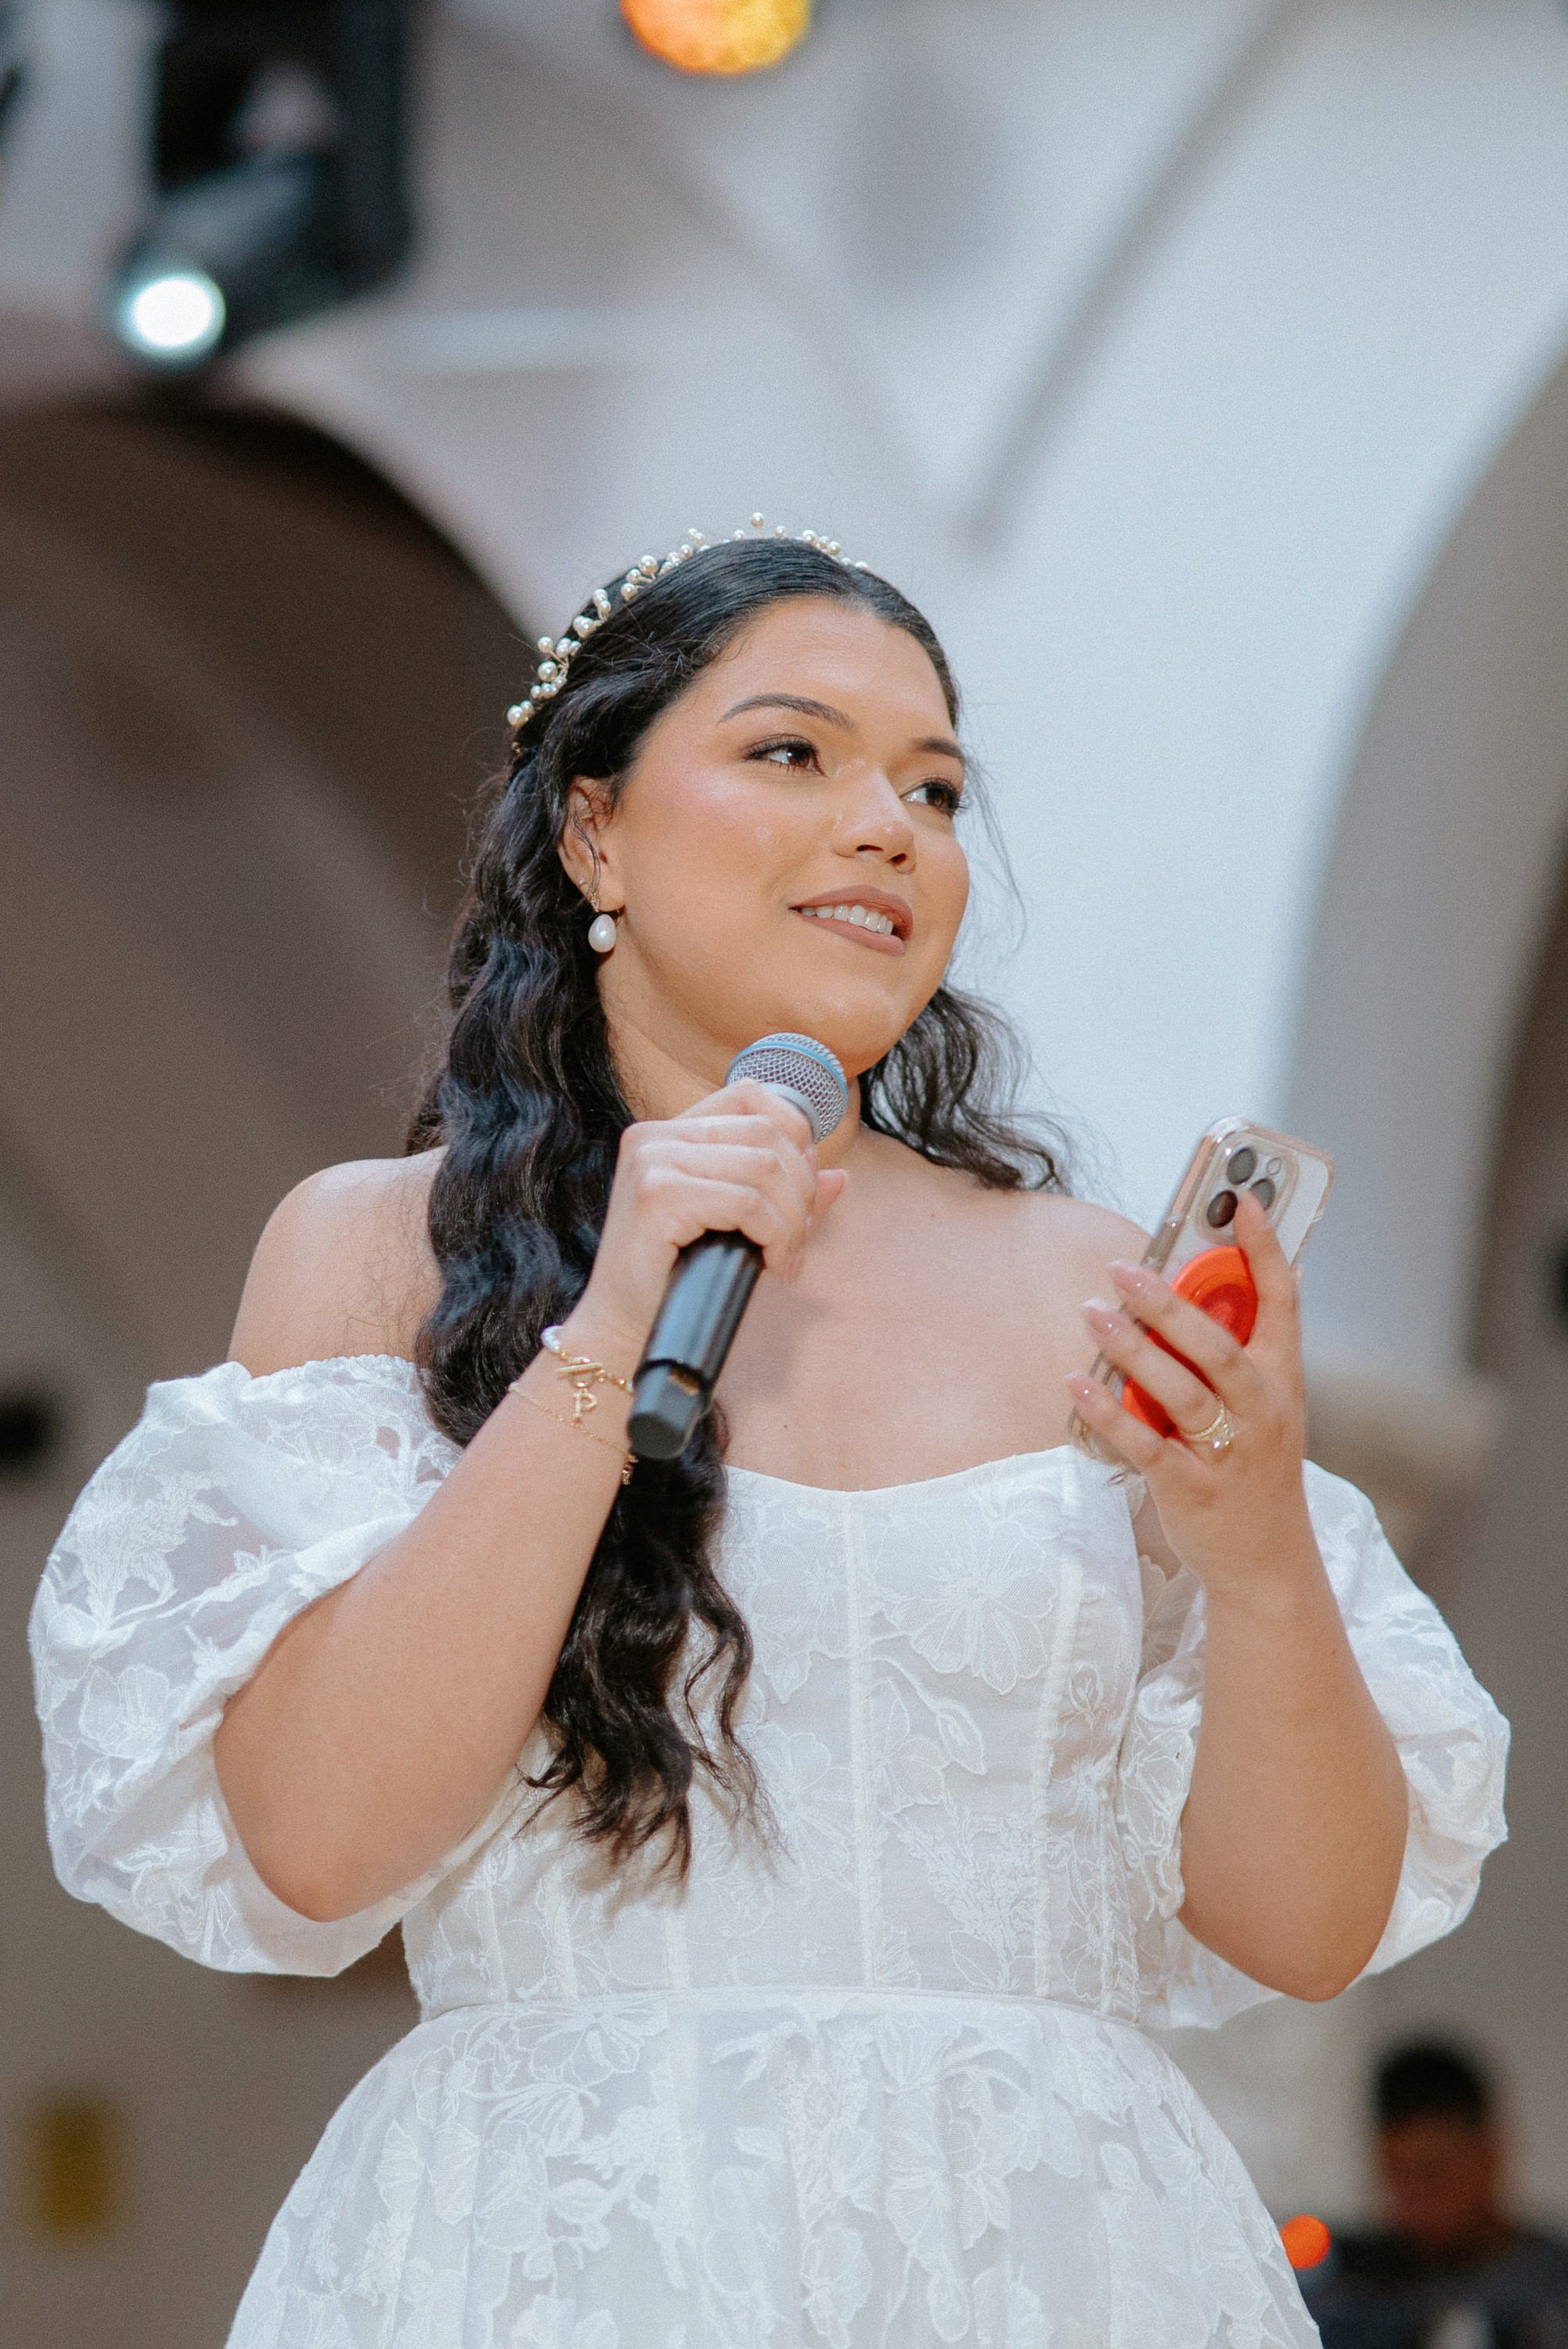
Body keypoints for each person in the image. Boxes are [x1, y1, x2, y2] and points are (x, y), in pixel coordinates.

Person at [32, 523, 1509, 2347]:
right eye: (793, 751)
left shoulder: (1089, 1286)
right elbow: (317, 1845)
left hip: (1050, 2251)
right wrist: (602, 1339)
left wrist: (1259, 1540)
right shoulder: (373, 1256)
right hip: (561, 2244)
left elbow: (1308, 1927)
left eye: (933, 788)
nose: (886, 825)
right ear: (592, 831)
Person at [1303, 2041, 1568, 2349]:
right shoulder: (1347, 2286)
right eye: (1397, 2172)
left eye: (1433, 2169)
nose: (1416, 2193)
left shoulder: (1553, 2287)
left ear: (1489, 2154)